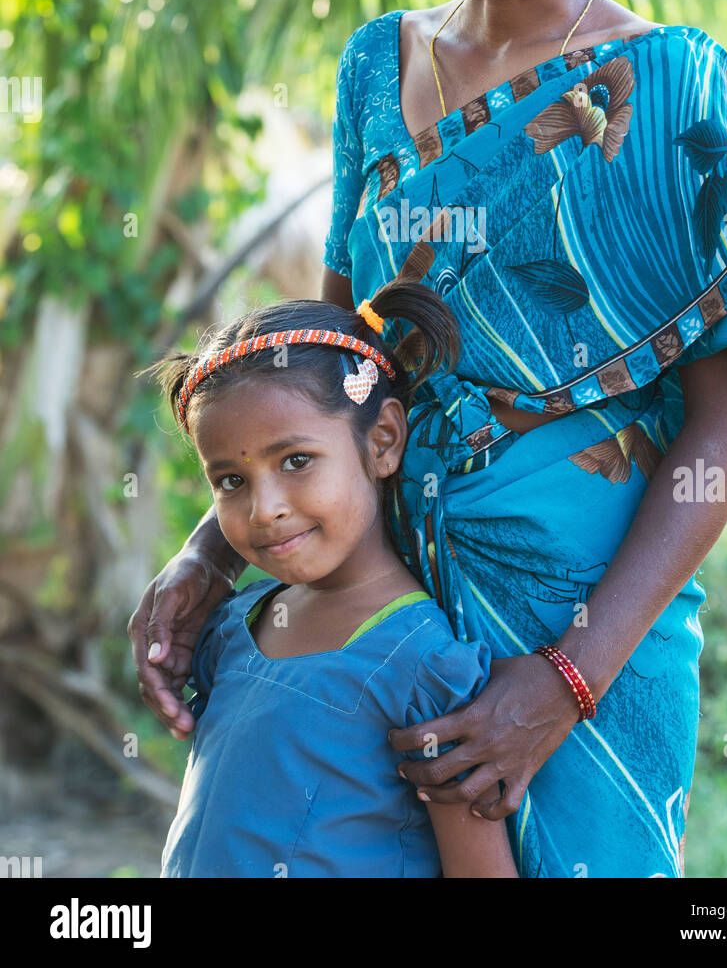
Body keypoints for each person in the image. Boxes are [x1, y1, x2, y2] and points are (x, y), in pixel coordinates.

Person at [130, 0, 727, 878]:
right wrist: (208, 553)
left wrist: (564, 682)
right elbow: (331, 363)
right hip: (380, 609)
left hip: (587, 629)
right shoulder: (374, 72)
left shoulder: (661, 93)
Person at [140, 279, 518, 878]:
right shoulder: (232, 628)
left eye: (296, 462)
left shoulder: (423, 668)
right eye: (231, 482)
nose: (264, 509)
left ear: (384, 441)